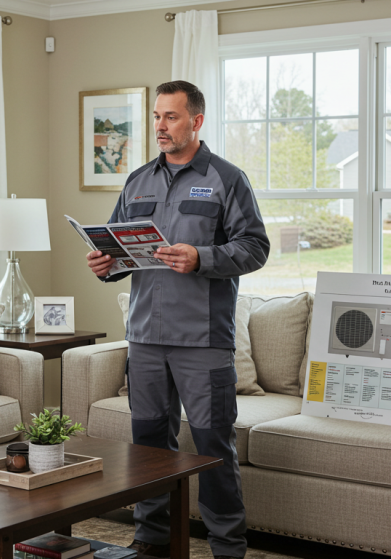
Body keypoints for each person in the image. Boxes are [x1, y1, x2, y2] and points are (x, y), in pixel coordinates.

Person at [85, 80, 269, 559]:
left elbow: (255, 247)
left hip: (203, 339)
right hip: (145, 336)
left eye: (171, 117)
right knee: (147, 444)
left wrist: (201, 257)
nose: (161, 127)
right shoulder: (137, 180)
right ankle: (152, 538)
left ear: (197, 121)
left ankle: (228, 547)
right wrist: (107, 265)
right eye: (156, 117)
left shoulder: (228, 178)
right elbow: (119, 245)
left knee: (211, 446)